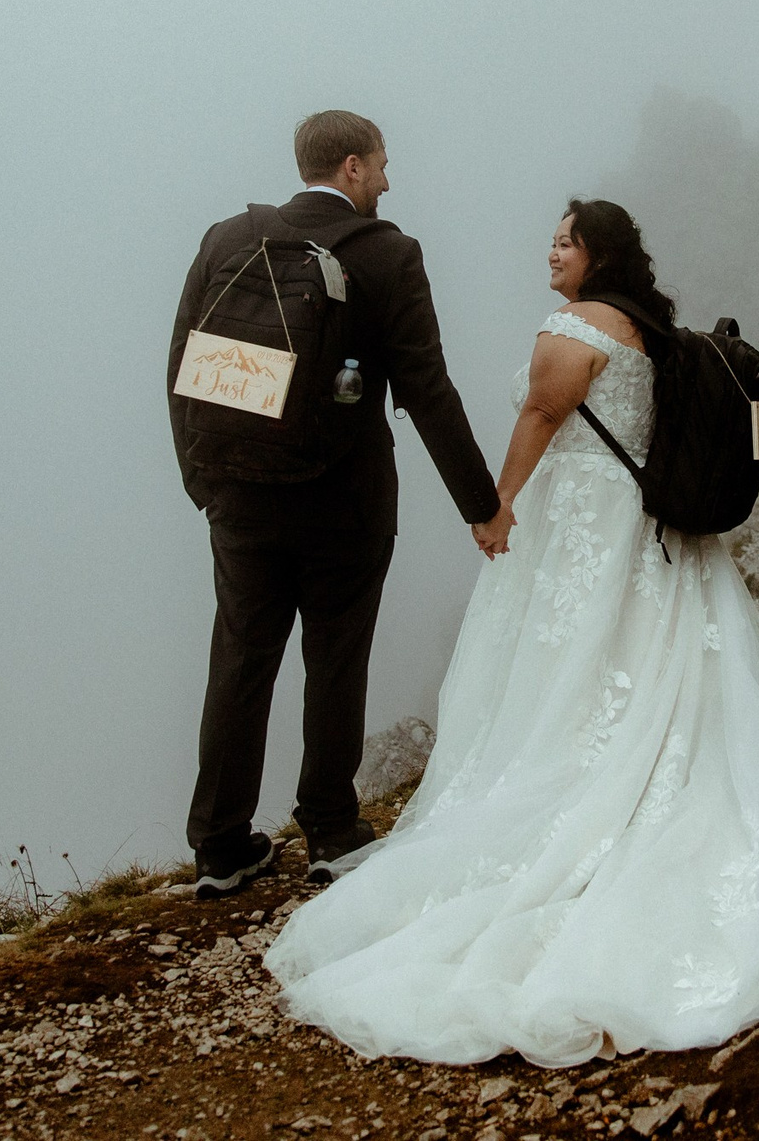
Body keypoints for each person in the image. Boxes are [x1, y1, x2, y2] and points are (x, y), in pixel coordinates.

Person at [262, 199, 759, 1065]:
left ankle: (567, 804)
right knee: (645, 655)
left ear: (594, 252)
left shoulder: (578, 322)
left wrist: (498, 504)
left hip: (587, 523)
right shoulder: (650, 328)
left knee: (569, 662)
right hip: (645, 526)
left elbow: (541, 413)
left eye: (563, 240)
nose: (550, 252)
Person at [170, 110, 512, 900]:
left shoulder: (228, 240)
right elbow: (427, 388)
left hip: (241, 498)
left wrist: (205, 482)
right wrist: (481, 503)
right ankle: (330, 827)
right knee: (335, 658)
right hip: (345, 504)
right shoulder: (389, 255)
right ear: (353, 167)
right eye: (384, 165)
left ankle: (221, 846)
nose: (390, 181)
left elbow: (182, 361)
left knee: (240, 660)